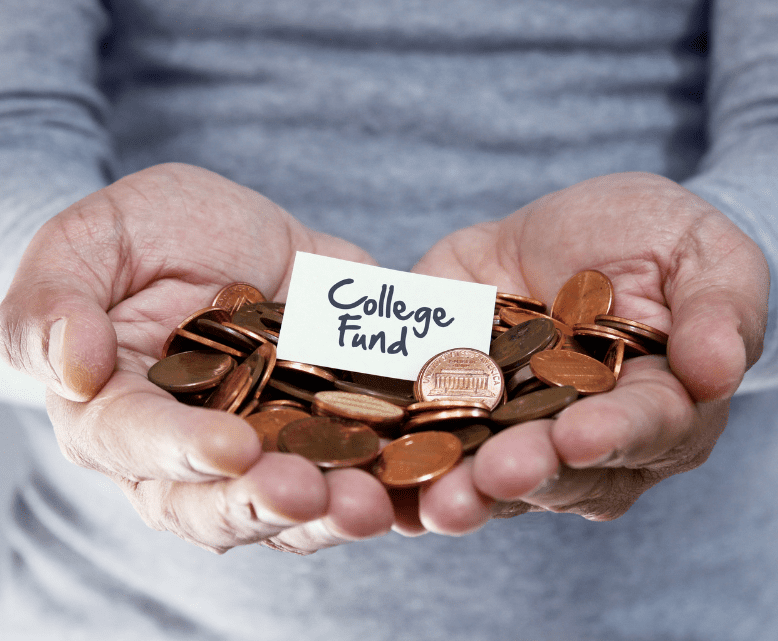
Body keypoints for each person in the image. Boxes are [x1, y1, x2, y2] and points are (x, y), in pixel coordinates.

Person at [0, 0, 776, 638]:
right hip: (116, 608)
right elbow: (15, 116)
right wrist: (61, 281)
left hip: (691, 606)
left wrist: (733, 270)